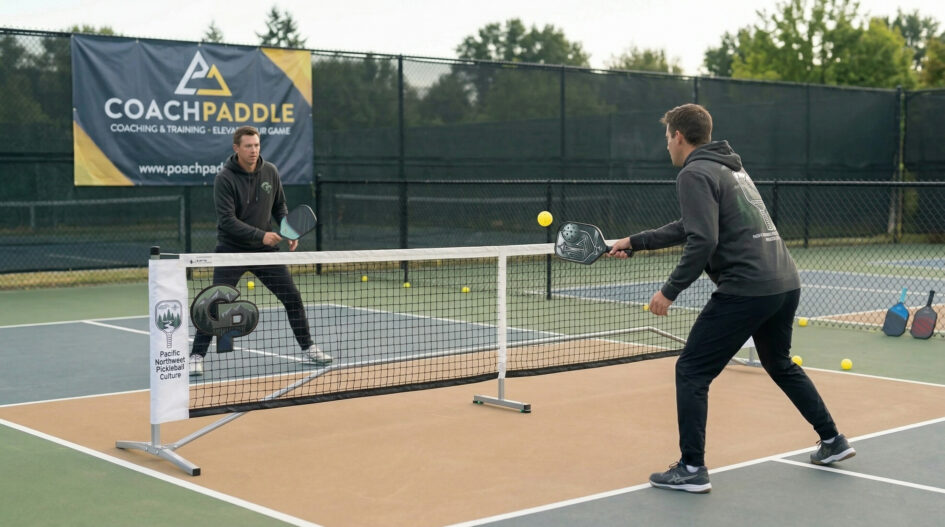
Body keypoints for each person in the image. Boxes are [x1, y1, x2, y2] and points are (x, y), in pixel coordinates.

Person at [608, 104, 854, 493]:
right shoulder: (729, 168)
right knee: (779, 363)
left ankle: (691, 469)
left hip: (747, 287)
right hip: (784, 281)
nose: (666, 146)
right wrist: (635, 241)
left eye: (666, 137)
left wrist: (669, 291)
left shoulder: (693, 172)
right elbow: (692, 226)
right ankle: (833, 441)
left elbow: (703, 239)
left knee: (691, 370)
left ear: (677, 136)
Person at [189, 126, 331, 376]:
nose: (253, 150)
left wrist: (288, 227)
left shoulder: (270, 172)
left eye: (256, 145)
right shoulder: (225, 178)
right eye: (248, 146)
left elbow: (279, 205)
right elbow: (227, 221)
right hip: (231, 250)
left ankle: (308, 348)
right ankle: (196, 356)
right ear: (236, 148)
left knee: (292, 298)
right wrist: (261, 235)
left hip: (265, 252)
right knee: (215, 304)